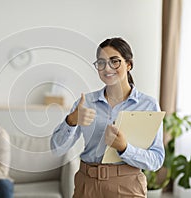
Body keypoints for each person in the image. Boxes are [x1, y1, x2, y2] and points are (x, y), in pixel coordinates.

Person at [50, 37, 165, 198]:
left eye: (115, 61)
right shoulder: (85, 103)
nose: (107, 68)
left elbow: (156, 160)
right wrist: (72, 120)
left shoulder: (148, 105)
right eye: (101, 62)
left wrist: (125, 148)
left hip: (127, 186)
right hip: (86, 185)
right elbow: (56, 149)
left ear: (129, 65)